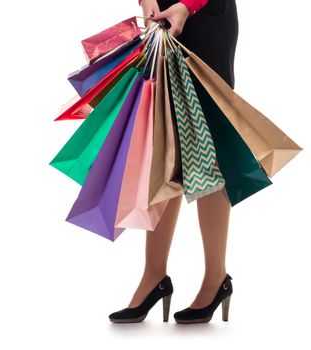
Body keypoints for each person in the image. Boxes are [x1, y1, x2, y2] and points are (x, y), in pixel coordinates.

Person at [109, 0, 239, 324]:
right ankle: (154, 277)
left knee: (208, 150)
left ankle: (215, 279)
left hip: (207, 18)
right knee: (164, 144)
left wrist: (187, 5)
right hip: (162, 22)